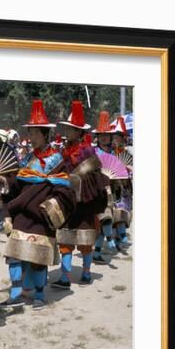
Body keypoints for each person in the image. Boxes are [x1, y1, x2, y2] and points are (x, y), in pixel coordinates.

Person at [1, 99, 76, 310]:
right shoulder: (26, 160)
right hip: (23, 213)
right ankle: (16, 291)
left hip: (42, 215)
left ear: (45, 135)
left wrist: (51, 206)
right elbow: (18, 183)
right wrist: (6, 181)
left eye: (35, 133)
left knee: (38, 258)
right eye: (30, 133)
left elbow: (64, 188)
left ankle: (40, 295)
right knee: (14, 252)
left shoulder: (57, 159)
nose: (31, 137)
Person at [51, 101, 109, 288]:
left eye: (71, 129)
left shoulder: (88, 151)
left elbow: (94, 175)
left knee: (85, 241)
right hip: (68, 202)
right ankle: (65, 277)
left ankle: (86, 273)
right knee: (66, 240)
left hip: (85, 202)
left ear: (79, 132)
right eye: (67, 129)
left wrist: (79, 181)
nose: (67, 132)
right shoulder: (63, 150)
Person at [91, 111, 118, 264]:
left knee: (103, 223)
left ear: (110, 138)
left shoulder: (114, 153)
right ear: (98, 137)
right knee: (105, 217)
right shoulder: (94, 152)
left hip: (111, 190)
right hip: (98, 190)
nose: (104, 137)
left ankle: (97, 254)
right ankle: (110, 240)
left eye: (106, 135)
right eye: (101, 135)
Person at [110, 115, 133, 251]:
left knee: (123, 211)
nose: (116, 139)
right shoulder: (110, 153)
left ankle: (121, 236)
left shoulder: (129, 152)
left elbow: (132, 168)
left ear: (123, 138)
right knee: (114, 213)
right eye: (114, 136)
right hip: (113, 187)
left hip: (125, 187)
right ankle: (116, 238)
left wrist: (128, 171)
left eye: (118, 136)